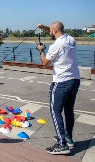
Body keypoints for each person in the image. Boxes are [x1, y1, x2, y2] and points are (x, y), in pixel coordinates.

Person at [37, 21, 80, 155]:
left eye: (50, 31)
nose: (49, 32)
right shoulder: (70, 39)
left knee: (55, 111)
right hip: (74, 80)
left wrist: (41, 50)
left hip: (61, 82)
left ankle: (62, 144)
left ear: (54, 31)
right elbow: (56, 30)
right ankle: (68, 138)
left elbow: (45, 63)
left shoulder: (56, 46)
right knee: (68, 110)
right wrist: (44, 27)